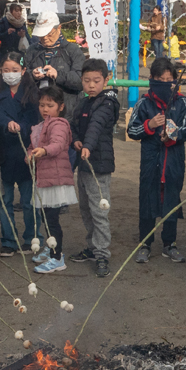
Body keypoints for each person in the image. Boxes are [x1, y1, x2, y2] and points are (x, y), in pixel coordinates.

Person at [128, 57, 186, 264]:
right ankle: (144, 243)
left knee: (172, 201)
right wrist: (150, 124)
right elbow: (132, 129)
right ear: (152, 79)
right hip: (150, 163)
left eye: (169, 79)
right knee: (147, 201)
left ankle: (170, 244)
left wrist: (171, 134)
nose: (166, 83)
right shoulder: (144, 103)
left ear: (175, 79)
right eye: (160, 79)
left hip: (173, 163)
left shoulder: (182, 102)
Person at [70, 58, 118, 277]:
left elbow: (97, 124)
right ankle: (92, 247)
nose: (91, 85)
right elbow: (75, 125)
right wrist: (76, 141)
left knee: (99, 211)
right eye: (87, 80)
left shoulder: (108, 102)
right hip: (84, 163)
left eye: (96, 81)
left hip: (99, 164)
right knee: (86, 209)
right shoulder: (83, 101)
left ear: (106, 80)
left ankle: (102, 254)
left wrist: (87, 144)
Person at [0, 52, 41, 257]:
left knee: (29, 201)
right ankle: (8, 240)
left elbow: (37, 120)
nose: (10, 74)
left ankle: (31, 238)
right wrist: (6, 124)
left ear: (23, 71)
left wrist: (21, 126)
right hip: (2, 153)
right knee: (4, 201)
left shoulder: (33, 95)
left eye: (14, 70)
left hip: (26, 153)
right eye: (6, 70)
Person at [28, 86, 76, 273]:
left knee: (52, 219)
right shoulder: (40, 126)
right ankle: (50, 248)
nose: (45, 109)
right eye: (42, 105)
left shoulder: (59, 124)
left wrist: (44, 151)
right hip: (44, 178)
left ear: (60, 107)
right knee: (45, 217)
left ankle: (57, 258)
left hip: (54, 180)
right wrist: (30, 155)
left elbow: (57, 144)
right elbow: (34, 146)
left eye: (50, 105)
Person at [27, 12, 85, 115]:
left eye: (49, 34)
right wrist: (32, 75)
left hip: (67, 112)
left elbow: (81, 81)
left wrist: (58, 75)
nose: (44, 38)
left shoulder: (72, 50)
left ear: (59, 28)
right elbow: (22, 74)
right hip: (37, 111)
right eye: (41, 35)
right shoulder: (32, 50)